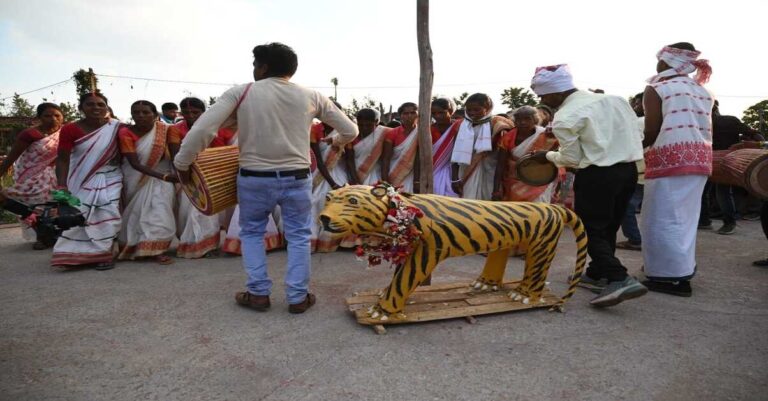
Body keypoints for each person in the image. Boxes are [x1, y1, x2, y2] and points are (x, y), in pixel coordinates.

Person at [174, 42, 357, 313]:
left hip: (254, 178)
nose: (253, 70)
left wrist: (182, 163)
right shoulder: (312, 96)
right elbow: (351, 130)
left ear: (263, 67)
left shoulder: (242, 92)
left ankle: (258, 294)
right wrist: (337, 140)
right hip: (298, 177)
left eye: (255, 65)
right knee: (299, 235)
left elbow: (202, 130)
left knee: (252, 234)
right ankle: (298, 297)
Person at [529, 64, 647, 307]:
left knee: (589, 228)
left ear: (556, 92)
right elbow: (638, 134)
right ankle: (597, 273)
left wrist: (546, 156)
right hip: (628, 171)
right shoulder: (616, 100)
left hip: (597, 175)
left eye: (543, 96)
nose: (542, 101)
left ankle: (619, 278)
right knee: (609, 225)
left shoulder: (566, 116)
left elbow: (571, 159)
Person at [641, 42, 714, 297]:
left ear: (665, 62)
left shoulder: (658, 87)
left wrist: (633, 149)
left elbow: (652, 129)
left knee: (661, 220)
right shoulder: (701, 90)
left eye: (658, 60)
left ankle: (670, 278)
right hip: (699, 160)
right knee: (685, 220)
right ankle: (680, 269)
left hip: (669, 159)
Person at [52, 92, 122, 270]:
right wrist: (62, 185)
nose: (96, 108)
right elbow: (63, 159)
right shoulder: (70, 129)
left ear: (107, 107)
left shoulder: (116, 127)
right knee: (80, 214)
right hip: (81, 177)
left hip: (110, 176)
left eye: (100, 104)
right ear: (80, 108)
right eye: (90, 104)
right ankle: (73, 253)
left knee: (108, 212)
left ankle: (105, 253)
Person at [168, 97, 235, 258]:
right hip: (187, 174)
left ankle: (208, 246)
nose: (190, 115)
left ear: (204, 112)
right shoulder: (175, 130)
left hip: (216, 175)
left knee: (209, 210)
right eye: (186, 112)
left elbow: (229, 151)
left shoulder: (219, 127)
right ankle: (191, 242)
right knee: (189, 210)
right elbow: (176, 156)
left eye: (195, 112)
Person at [117, 100, 177, 264]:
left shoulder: (167, 130)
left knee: (159, 211)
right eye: (136, 112)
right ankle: (135, 247)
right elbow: (135, 164)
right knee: (136, 213)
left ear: (155, 115)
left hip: (163, 175)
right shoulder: (125, 133)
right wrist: (163, 177)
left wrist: (178, 175)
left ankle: (156, 249)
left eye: (145, 112)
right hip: (137, 176)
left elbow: (176, 156)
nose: (140, 116)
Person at [0, 103, 63, 249]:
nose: (53, 119)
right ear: (39, 118)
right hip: (28, 175)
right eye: (47, 116)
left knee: (48, 206)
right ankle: (42, 234)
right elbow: (11, 157)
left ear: (62, 117)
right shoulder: (30, 134)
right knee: (28, 206)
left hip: (50, 175)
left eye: (57, 115)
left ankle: (46, 236)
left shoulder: (65, 133)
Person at [707, 101, 765, 235]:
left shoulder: (701, 123)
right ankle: (727, 221)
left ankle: (710, 221)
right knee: (722, 191)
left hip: (710, 160)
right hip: (728, 160)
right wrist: (758, 147)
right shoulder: (730, 120)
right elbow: (756, 135)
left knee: (716, 191)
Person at [450, 93, 513, 200]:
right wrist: (455, 178)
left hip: (491, 172)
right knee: (467, 202)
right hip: (466, 170)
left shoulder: (497, 125)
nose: (472, 113)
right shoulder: (462, 125)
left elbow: (504, 153)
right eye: (469, 110)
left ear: (487, 109)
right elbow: (455, 153)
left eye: (476, 110)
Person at [493, 105, 560, 202]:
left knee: (537, 209)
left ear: (535, 120)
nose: (522, 122)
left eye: (527, 119)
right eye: (518, 119)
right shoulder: (507, 137)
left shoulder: (546, 135)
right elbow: (500, 165)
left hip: (539, 181)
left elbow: (559, 154)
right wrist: (496, 190)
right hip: (513, 182)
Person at [616, 92, 647, 251]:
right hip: (653, 173)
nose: (634, 107)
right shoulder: (664, 122)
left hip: (640, 173)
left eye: (637, 103)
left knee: (626, 207)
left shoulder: (640, 122)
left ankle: (635, 239)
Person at [344, 108, 391, 186]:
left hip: (376, 174)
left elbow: (386, 159)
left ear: (376, 122)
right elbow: (349, 160)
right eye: (361, 125)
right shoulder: (352, 135)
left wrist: (385, 181)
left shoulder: (384, 133)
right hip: (355, 174)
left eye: (368, 125)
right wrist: (355, 180)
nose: (364, 128)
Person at [381, 102, 420, 192]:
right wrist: (385, 181)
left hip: (412, 174)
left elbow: (418, 159)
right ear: (400, 115)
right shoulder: (392, 133)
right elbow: (386, 158)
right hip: (394, 171)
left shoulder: (422, 132)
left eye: (413, 113)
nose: (409, 116)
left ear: (418, 114)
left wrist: (417, 181)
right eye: (405, 113)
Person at [431, 97, 461, 197]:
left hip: (456, 171)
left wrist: (455, 178)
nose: (437, 116)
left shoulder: (459, 127)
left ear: (451, 111)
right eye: (434, 113)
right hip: (433, 171)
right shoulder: (428, 130)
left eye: (441, 113)